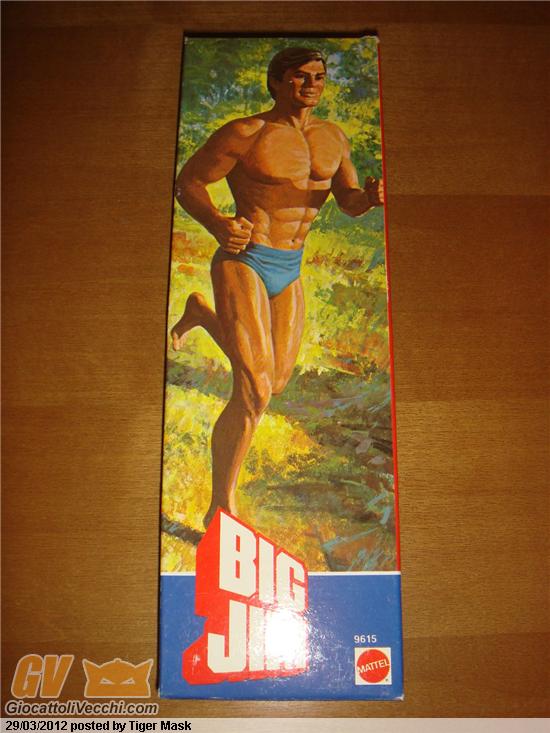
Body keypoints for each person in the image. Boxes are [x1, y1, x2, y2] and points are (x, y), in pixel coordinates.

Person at [171, 47, 384, 527]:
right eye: (300, 76)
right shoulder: (247, 133)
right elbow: (188, 183)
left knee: (275, 383)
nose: (311, 85)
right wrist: (218, 223)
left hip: (290, 266)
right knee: (254, 392)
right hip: (244, 259)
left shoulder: (333, 138)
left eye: (319, 77)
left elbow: (347, 200)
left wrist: (368, 199)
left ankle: (203, 313)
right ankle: (220, 506)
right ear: (276, 82)